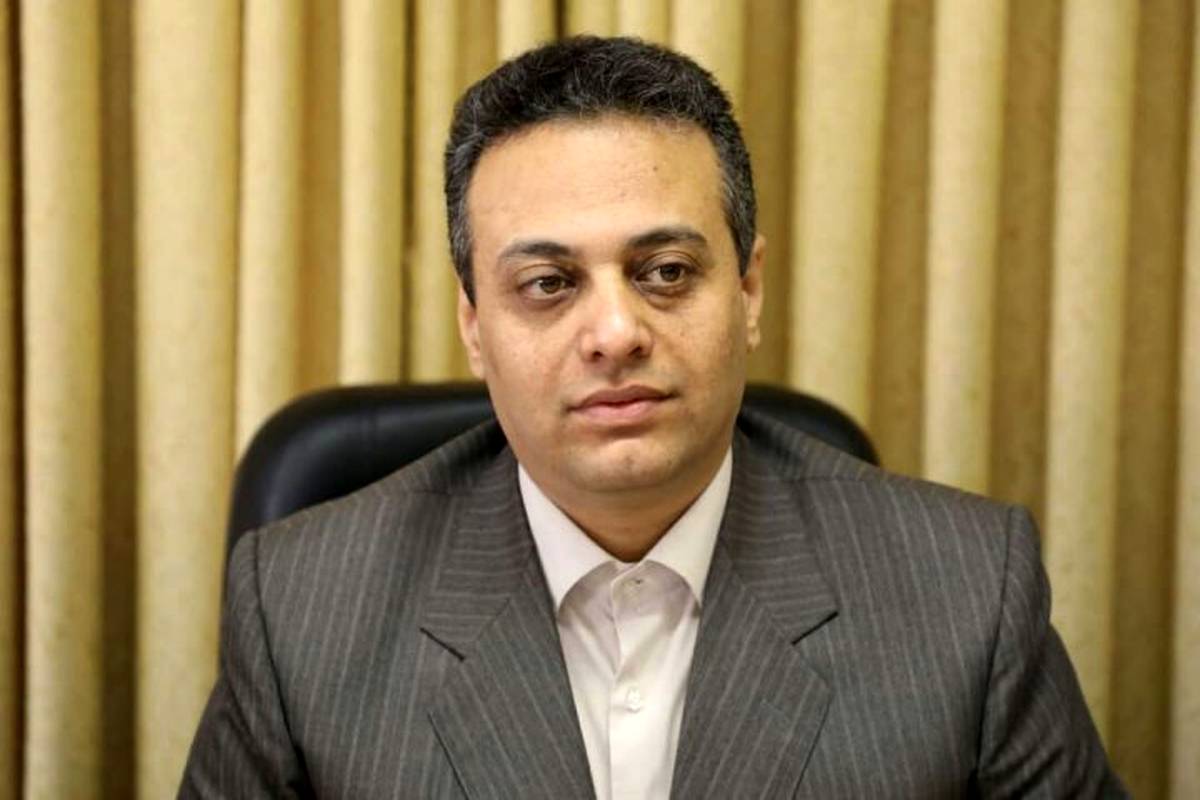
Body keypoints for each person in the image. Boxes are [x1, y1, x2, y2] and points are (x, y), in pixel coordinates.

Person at [180, 36, 1125, 798]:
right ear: (474, 327)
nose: (615, 333)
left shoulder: (967, 590)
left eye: (665, 272)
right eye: (548, 284)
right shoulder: (302, 607)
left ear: (748, 291)